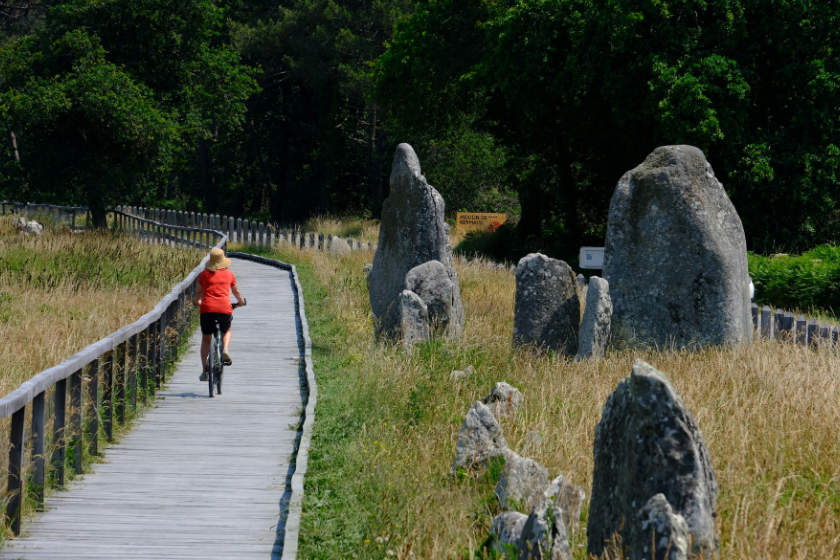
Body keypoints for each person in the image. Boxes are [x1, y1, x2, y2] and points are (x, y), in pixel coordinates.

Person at [193, 248, 245, 381]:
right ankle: (225, 349)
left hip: (207, 308)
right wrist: (241, 302)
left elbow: (199, 293)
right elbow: (236, 291)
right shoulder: (229, 274)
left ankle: (204, 372)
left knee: (206, 339)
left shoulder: (204, 275)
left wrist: (196, 301)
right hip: (224, 308)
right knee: (226, 330)